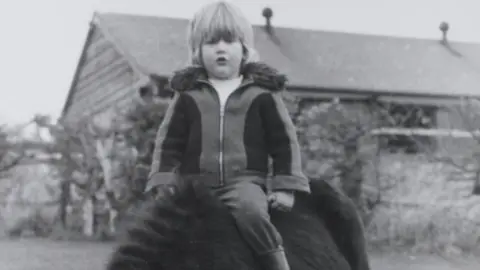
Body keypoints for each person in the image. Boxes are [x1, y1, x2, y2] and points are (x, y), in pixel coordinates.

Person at [146, 1, 310, 270]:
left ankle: (276, 262)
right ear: (197, 51)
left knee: (252, 213)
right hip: (194, 185)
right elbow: (168, 142)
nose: (221, 48)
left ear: (245, 49)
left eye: (230, 41)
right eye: (211, 42)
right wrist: (164, 181)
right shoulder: (188, 95)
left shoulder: (261, 94)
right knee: (162, 226)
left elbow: (284, 143)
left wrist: (284, 187)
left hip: (242, 183)